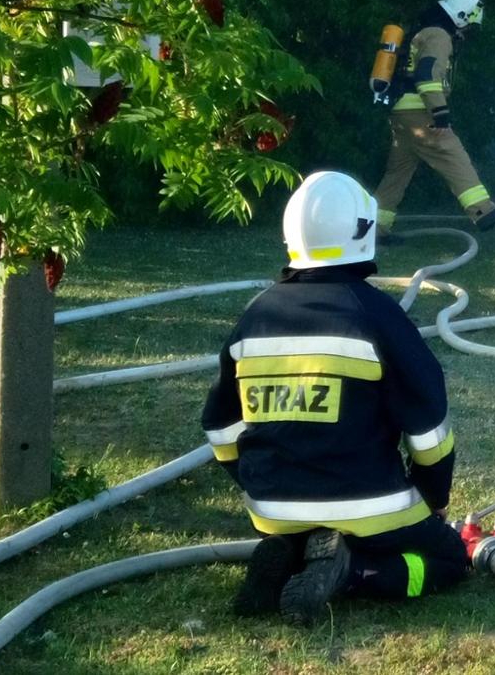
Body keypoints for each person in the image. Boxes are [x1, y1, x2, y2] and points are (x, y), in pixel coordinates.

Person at [201, 171, 478, 625]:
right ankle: (354, 573)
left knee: (306, 531)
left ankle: (288, 557)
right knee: (448, 560)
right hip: (370, 505)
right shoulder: (377, 315)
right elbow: (428, 430)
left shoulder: (255, 315)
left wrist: (257, 480)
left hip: (272, 507)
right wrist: (432, 498)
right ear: (363, 232)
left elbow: (219, 428)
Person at [375, 0, 495, 236]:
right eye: (468, 26)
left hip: (400, 115)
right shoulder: (439, 36)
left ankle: (374, 227)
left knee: (396, 175)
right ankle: (483, 210)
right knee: (453, 155)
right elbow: (427, 76)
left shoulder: (422, 33)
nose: (466, 33)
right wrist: (440, 113)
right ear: (461, 17)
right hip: (421, 113)